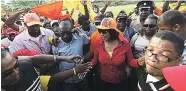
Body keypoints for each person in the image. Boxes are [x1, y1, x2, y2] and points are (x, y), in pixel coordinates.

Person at [1, 48, 92, 91]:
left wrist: (73, 68)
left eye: (16, 65)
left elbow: (48, 80)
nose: (16, 72)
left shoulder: (26, 67)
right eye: (7, 73)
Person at [90, 17, 139, 91]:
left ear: (112, 31)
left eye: (104, 32)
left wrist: (140, 61)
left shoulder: (124, 43)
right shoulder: (98, 43)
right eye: (100, 31)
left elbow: (131, 61)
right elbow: (95, 60)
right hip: (103, 82)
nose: (101, 34)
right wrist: (87, 66)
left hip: (121, 82)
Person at [52, 19, 90, 91]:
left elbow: (89, 43)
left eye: (68, 32)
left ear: (72, 30)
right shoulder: (56, 45)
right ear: (59, 32)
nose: (65, 35)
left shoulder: (80, 38)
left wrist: (80, 31)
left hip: (81, 77)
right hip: (67, 81)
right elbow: (56, 61)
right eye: (63, 33)